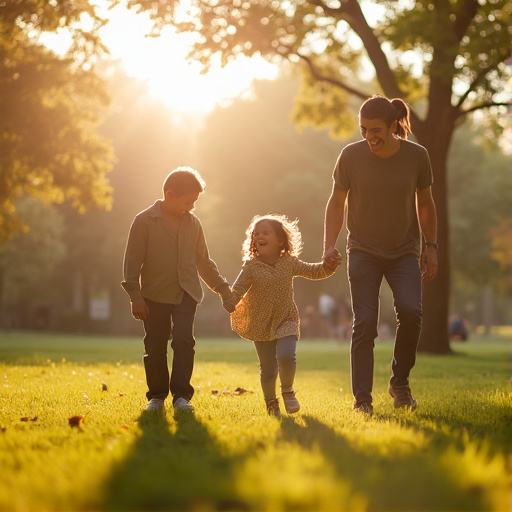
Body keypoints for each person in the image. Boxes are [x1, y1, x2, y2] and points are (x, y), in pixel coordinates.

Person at [323, 95, 438, 415]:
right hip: (362, 250)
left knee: (411, 312)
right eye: (362, 130)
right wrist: (329, 246)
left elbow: (426, 204)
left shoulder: (417, 156)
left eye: (375, 130)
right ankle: (362, 400)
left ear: (393, 126)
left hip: (404, 251)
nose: (368, 137)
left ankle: (399, 383)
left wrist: (432, 246)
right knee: (365, 322)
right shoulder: (350, 156)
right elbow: (336, 202)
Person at [121, 167, 231, 413]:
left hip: (186, 293)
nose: (191, 207)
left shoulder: (194, 224)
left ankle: (182, 396)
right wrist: (135, 296)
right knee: (155, 345)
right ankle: (157, 397)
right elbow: (132, 261)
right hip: (153, 295)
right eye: (187, 201)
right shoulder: (144, 221)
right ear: (169, 195)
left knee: (183, 341)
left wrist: (223, 289)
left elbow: (203, 261)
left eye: (194, 202)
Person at [223, 214, 340, 417]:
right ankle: (271, 402)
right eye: (256, 234)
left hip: (286, 318)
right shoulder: (251, 267)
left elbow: (315, 271)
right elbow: (238, 289)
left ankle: (287, 391)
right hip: (260, 322)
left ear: (280, 241)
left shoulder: (290, 263)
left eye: (265, 233)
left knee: (286, 356)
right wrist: (230, 300)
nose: (259, 236)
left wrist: (329, 266)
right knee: (268, 370)